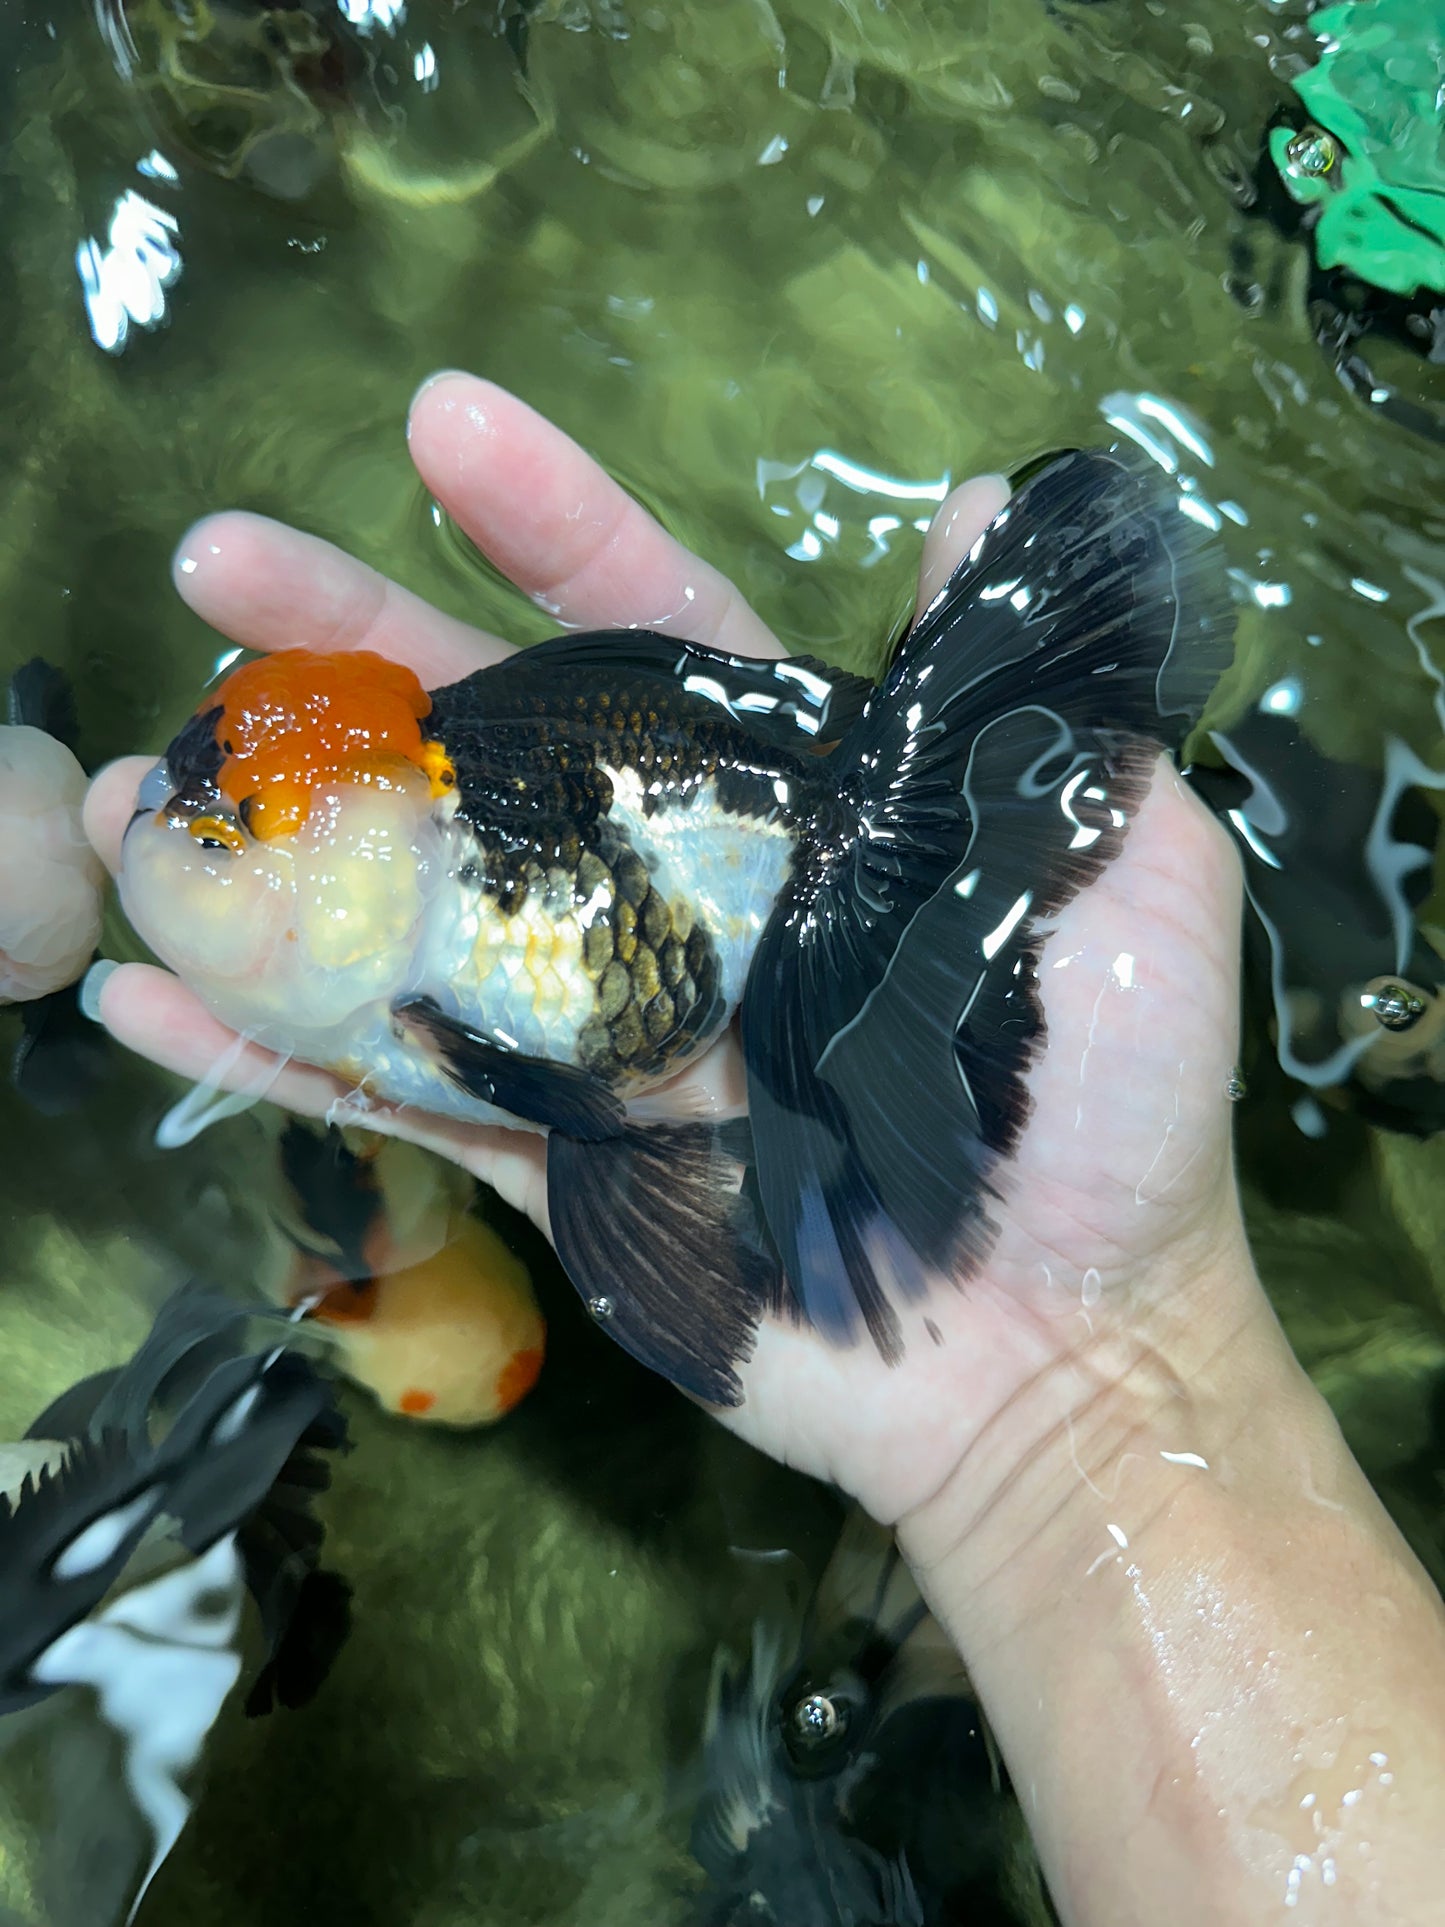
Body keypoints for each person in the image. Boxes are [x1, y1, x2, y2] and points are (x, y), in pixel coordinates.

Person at [82, 371, 1445, 1923]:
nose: (195, 846)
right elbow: (593, 1121)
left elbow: (591, 1115)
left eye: (244, 832)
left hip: (735, 878)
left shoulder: (436, 970)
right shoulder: (396, 950)